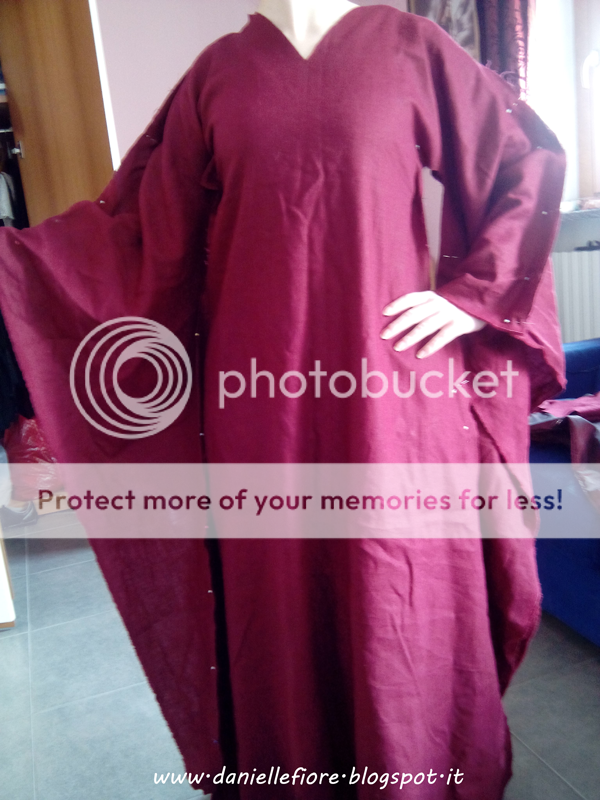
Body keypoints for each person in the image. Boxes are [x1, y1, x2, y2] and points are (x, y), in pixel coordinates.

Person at [0, 1, 565, 797]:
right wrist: (18, 264)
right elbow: (138, 230)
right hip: (257, 396)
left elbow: (525, 160)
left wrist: (474, 296)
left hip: (393, 388)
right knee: (280, 594)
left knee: (398, 579)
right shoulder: (219, 73)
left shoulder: (410, 46)